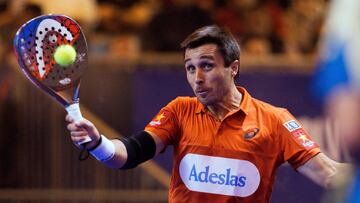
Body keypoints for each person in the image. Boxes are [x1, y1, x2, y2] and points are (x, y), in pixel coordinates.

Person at [66, 25, 348, 202]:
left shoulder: (274, 119)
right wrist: (96, 143)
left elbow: (327, 172)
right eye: (190, 68)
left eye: (207, 66)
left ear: (233, 68)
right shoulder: (179, 110)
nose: (197, 77)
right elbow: (130, 153)